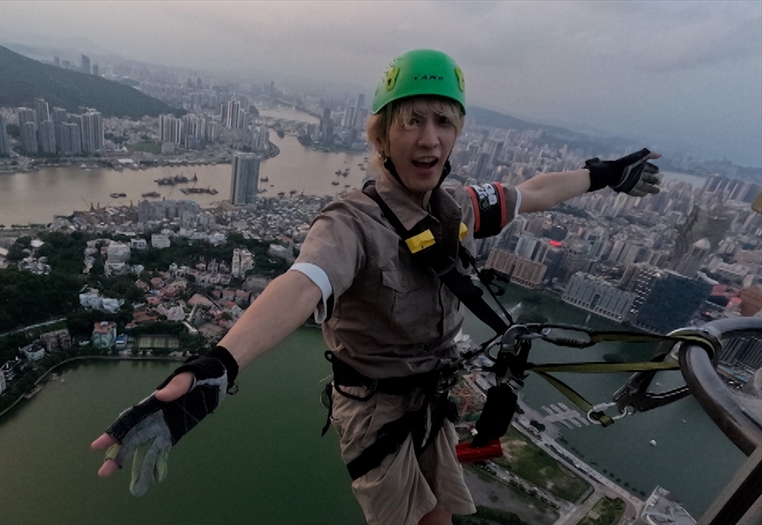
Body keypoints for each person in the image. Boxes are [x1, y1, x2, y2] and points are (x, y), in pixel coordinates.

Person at [91, 49, 661, 525]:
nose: (429, 138)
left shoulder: (454, 207)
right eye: (411, 120)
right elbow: (303, 282)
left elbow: (534, 191)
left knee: (443, 517)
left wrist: (605, 175)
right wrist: (220, 362)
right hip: (376, 413)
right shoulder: (351, 222)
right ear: (383, 133)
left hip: (431, 401)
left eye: (443, 122)